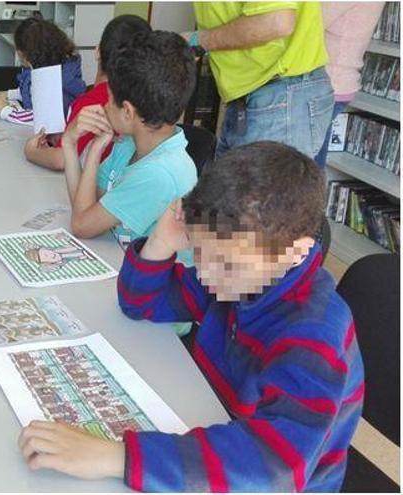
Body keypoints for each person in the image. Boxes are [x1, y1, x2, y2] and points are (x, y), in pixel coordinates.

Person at [18, 142, 364, 492]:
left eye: (225, 264)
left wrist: (115, 457)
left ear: (297, 251)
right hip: (211, 420)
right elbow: (140, 302)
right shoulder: (235, 276)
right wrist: (161, 242)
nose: (209, 275)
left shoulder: (317, 336)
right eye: (200, 253)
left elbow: (275, 469)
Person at [63, 31, 197, 251]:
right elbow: (87, 206)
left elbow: (81, 225)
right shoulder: (131, 142)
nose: (105, 106)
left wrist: (93, 152)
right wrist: (70, 143)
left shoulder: (159, 173)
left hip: (151, 282)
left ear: (127, 111)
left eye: (108, 99)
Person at [184, 2, 334, 160]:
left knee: (260, 183)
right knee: (228, 183)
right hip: (254, 96)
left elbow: (276, 22)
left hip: (280, 95)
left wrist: (199, 41)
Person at [24, 15, 151, 171]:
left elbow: (61, 160)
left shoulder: (91, 102)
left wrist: (32, 152)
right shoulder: (143, 100)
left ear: (97, 51)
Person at [316, 2, 385, 167]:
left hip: (328, 82)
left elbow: (308, 22)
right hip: (333, 82)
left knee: (305, 161)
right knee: (309, 158)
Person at [0, 17, 87, 125]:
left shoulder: (56, 82)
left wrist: (5, 111)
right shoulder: (46, 68)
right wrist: (9, 94)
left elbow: (41, 118)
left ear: (24, 54)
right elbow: (31, 91)